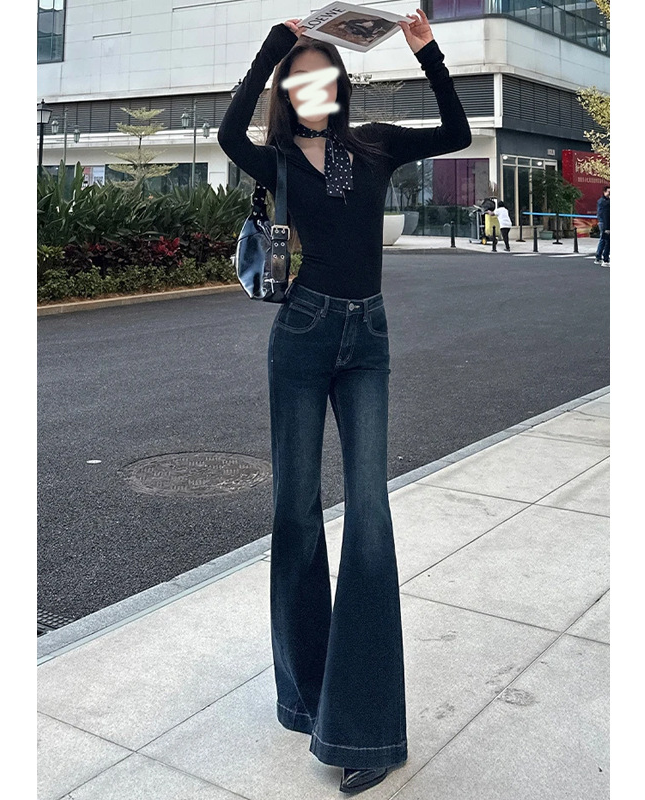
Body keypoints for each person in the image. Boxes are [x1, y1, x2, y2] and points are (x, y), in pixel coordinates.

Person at [218, 9, 471, 794]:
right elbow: (227, 132)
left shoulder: (375, 145)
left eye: (322, 76)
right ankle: (304, 696)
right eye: (299, 80)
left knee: (369, 514)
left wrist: (429, 53)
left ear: (340, 85)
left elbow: (457, 132)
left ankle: (364, 730)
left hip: (368, 339)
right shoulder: (278, 159)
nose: (312, 88)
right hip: (301, 334)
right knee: (295, 512)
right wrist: (278, 43)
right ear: (288, 92)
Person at [594, 186, 610, 266]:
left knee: (603, 240)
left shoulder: (605, 201)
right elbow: (603, 213)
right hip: (603, 222)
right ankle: (602, 257)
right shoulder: (602, 201)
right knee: (605, 240)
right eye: (609, 192)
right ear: (604, 192)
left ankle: (599, 256)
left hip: (604, 222)